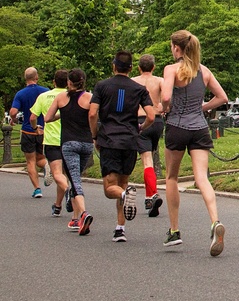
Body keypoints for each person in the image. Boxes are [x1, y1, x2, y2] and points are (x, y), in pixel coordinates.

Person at [161, 30, 228, 255]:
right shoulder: (204, 71)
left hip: (177, 126)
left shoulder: (171, 70)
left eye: (172, 46)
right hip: (199, 128)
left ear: (177, 49)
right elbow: (222, 98)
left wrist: (166, 108)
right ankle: (214, 221)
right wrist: (201, 107)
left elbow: (166, 97)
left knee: (171, 176)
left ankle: (174, 230)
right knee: (202, 178)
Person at [90, 51, 156, 243]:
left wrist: (95, 135)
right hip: (129, 140)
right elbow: (151, 116)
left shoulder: (102, 86)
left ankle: (125, 196)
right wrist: (141, 128)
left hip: (109, 140)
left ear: (113, 66)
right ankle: (120, 229)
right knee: (123, 182)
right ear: (131, 68)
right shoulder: (139, 89)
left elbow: (93, 113)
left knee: (110, 187)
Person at [45, 68, 95, 235]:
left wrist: (63, 114)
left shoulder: (61, 98)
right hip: (86, 143)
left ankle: (83, 213)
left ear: (69, 82)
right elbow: (94, 116)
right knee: (76, 178)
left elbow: (47, 118)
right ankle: (75, 218)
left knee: (74, 180)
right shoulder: (89, 97)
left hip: (69, 144)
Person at [29, 70, 70, 218]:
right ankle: (58, 205)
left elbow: (33, 117)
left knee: (57, 173)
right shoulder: (71, 96)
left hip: (52, 139)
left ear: (54, 82)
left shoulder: (44, 96)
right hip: (68, 138)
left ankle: (68, 191)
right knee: (64, 173)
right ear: (68, 82)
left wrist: (35, 128)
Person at [9, 67, 50, 198]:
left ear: (25, 78)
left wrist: (13, 119)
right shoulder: (46, 92)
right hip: (43, 130)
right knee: (40, 158)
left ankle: (37, 189)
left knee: (30, 161)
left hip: (28, 130)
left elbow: (13, 112)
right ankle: (47, 166)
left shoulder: (20, 94)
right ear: (36, 77)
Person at [132, 54, 165, 217]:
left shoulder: (133, 81)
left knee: (146, 161)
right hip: (157, 121)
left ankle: (152, 194)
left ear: (139, 67)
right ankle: (148, 196)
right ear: (153, 67)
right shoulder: (159, 81)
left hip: (140, 120)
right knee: (150, 157)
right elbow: (167, 98)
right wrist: (162, 108)